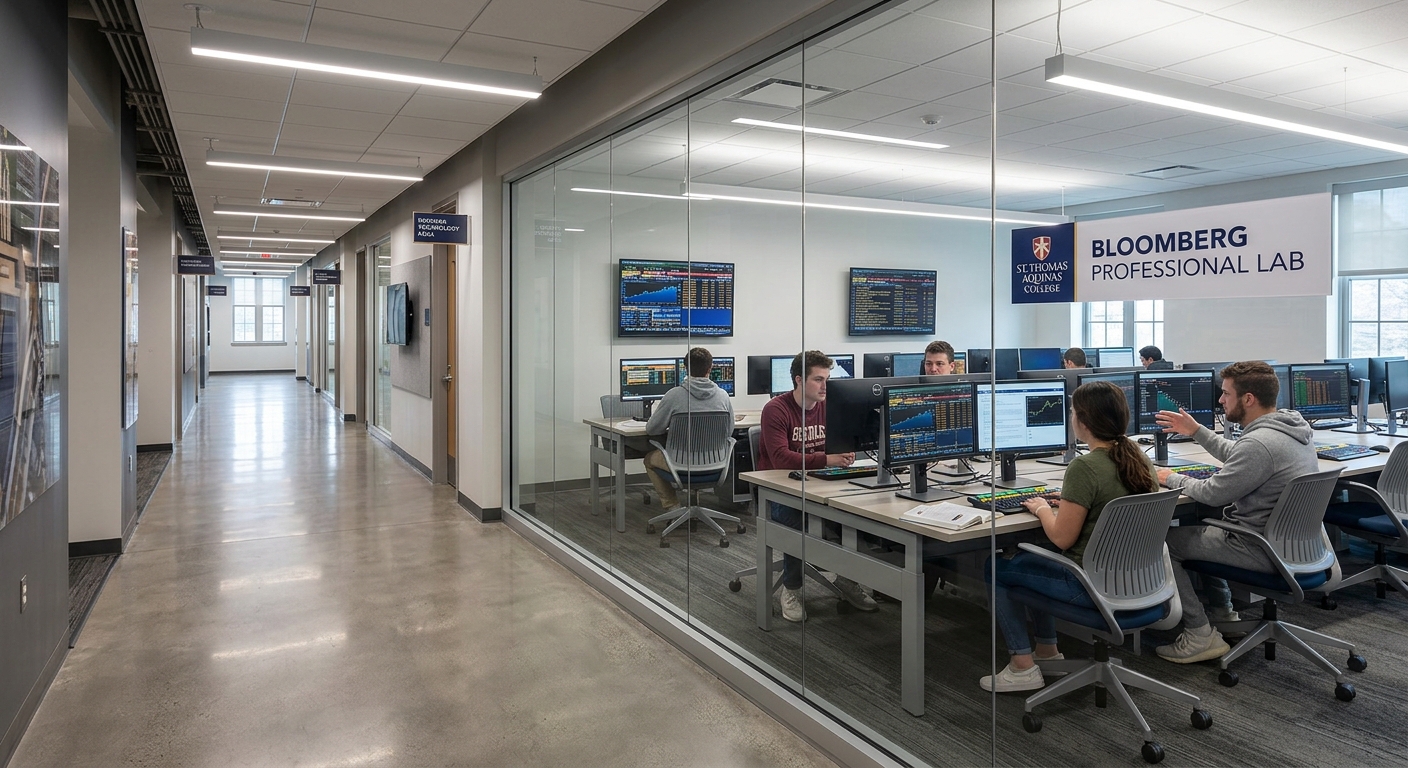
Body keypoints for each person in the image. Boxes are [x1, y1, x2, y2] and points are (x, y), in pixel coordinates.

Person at [981, 381, 1158, 692]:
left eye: (1073, 412)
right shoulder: (1140, 459)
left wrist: (1041, 510)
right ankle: (1047, 652)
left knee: (996, 566)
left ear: (1083, 421)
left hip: (1087, 585)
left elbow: (1062, 539)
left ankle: (1022, 667)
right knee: (1036, 553)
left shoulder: (1084, 467)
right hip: (1138, 583)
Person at [1152, 360, 1319, 663]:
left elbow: (1212, 493)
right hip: (1292, 545)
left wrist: (1169, 478)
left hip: (1257, 547)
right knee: (1205, 525)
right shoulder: (1290, 428)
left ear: (1248, 399)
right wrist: (1197, 431)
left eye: (1226, 393)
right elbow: (1239, 453)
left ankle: (1199, 633)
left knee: (1163, 545)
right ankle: (1224, 615)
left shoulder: (1259, 443)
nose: (1220, 400)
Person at [757, 350, 876, 621]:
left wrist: (848, 453)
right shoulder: (776, 409)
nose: (825, 386)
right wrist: (826, 459)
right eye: (818, 379)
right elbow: (780, 458)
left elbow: (844, 442)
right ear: (799, 380)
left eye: (828, 379)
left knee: (856, 514)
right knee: (795, 519)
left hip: (819, 484)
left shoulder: (830, 406)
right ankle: (791, 588)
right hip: (777, 490)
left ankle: (847, 580)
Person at [643, 347, 734, 509]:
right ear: (710, 368)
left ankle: (672, 505)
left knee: (649, 459)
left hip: (679, 463)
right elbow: (729, 431)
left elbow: (652, 429)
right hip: (716, 463)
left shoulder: (673, 395)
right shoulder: (723, 396)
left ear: (685, 368)